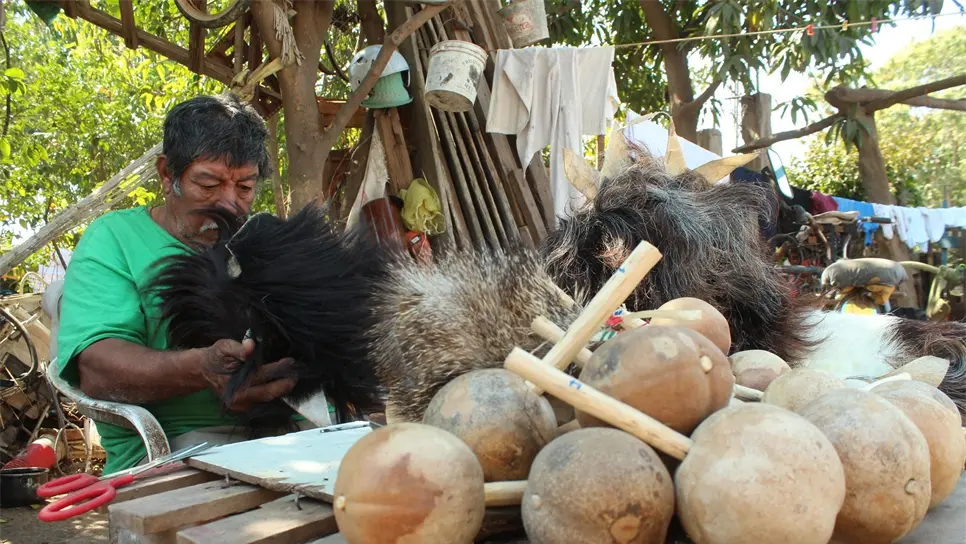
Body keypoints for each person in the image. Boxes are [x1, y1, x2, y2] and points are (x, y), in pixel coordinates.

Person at [55, 94, 308, 475]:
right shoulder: (115, 239)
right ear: (166, 175)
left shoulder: (261, 243)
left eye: (244, 187)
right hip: (173, 453)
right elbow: (97, 371)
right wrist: (200, 369)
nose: (228, 204)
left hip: (292, 439)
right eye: (208, 184)